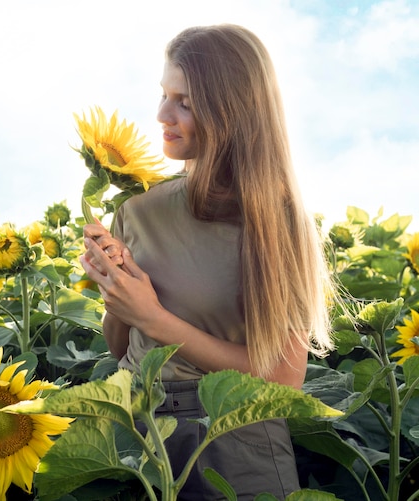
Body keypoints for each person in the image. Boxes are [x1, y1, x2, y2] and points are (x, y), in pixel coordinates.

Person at [80, 24, 335, 500]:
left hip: (234, 441)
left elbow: (284, 378)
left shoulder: (274, 220)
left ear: (231, 111)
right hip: (140, 436)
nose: (161, 114)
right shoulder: (137, 207)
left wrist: (153, 316)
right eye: (163, 94)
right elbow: (122, 349)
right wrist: (115, 290)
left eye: (186, 102)